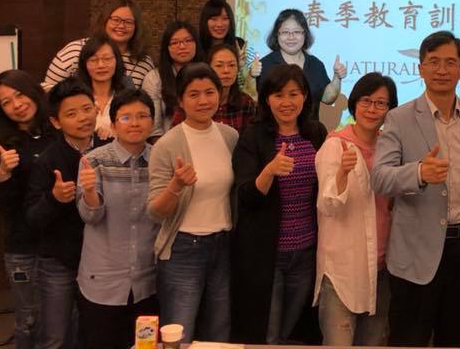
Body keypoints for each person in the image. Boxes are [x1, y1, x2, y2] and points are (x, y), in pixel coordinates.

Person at [371, 31, 460, 348]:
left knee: (455, 340)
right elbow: (379, 178)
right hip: (414, 253)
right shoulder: (398, 118)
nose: (441, 70)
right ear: (420, 68)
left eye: (450, 62)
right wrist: (419, 172)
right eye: (433, 62)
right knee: (408, 340)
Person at [231, 64, 328, 344]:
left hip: (306, 252)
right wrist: (269, 171)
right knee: (268, 334)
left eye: (294, 94)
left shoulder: (316, 133)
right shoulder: (254, 136)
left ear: (305, 96)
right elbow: (245, 196)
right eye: (278, 95)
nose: (287, 102)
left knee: (291, 330)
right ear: (266, 99)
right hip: (267, 253)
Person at [148, 64, 238, 345]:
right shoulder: (167, 145)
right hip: (184, 248)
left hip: (222, 244)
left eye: (210, 92)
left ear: (220, 95)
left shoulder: (230, 136)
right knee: (179, 331)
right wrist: (176, 186)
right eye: (194, 94)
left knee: (219, 330)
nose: (203, 101)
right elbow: (155, 211)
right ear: (180, 100)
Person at [314, 72, 398, 346]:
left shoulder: (390, 147)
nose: (372, 109)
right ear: (354, 104)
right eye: (366, 101)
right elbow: (327, 205)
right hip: (343, 269)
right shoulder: (335, 145)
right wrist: (341, 173)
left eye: (381, 103)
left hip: (381, 266)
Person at [76, 89, 160, 349]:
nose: (135, 123)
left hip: (149, 280)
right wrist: (90, 191)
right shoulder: (94, 161)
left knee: (145, 346)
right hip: (103, 281)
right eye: (125, 117)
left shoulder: (160, 159)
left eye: (142, 116)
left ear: (152, 122)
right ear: (113, 125)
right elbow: (91, 216)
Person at [25, 78, 104, 349]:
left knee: (92, 336)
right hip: (59, 261)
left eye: (87, 109)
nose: (83, 118)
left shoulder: (108, 150)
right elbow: (32, 218)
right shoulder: (48, 159)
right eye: (71, 113)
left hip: (99, 261)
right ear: (56, 122)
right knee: (56, 338)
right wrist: (54, 199)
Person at [0, 70, 55, 349]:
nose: (16, 105)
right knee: (30, 319)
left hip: (61, 245)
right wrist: (4, 175)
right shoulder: (4, 147)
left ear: (33, 91)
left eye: (19, 94)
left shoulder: (59, 133)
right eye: (6, 102)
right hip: (23, 248)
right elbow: (6, 207)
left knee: (66, 319)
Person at [42, 0, 155, 91]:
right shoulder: (75, 50)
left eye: (128, 22)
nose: (121, 26)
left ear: (137, 27)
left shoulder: (144, 63)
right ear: (104, 21)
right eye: (116, 20)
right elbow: (47, 89)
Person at [253, 8, 346, 117]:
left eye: (297, 32)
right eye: (285, 32)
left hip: (309, 127)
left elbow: (327, 98)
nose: (291, 37)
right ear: (277, 35)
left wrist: (337, 77)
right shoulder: (264, 65)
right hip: (273, 127)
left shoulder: (315, 64)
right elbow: (253, 100)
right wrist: (251, 77)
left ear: (305, 34)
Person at [172, 43, 256, 136]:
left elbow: (251, 139)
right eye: (219, 65)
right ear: (208, 68)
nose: (226, 70)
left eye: (232, 65)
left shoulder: (245, 102)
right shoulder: (193, 103)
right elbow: (175, 136)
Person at [141, 20, 201, 137]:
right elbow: (153, 130)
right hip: (166, 141)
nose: (182, 46)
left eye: (188, 40)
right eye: (175, 42)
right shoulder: (154, 78)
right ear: (166, 48)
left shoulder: (206, 74)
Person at [76, 33, 129, 141]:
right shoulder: (75, 97)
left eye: (107, 59)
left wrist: (116, 131)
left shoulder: (128, 97)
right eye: (93, 60)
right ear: (84, 64)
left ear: (117, 61)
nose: (101, 65)